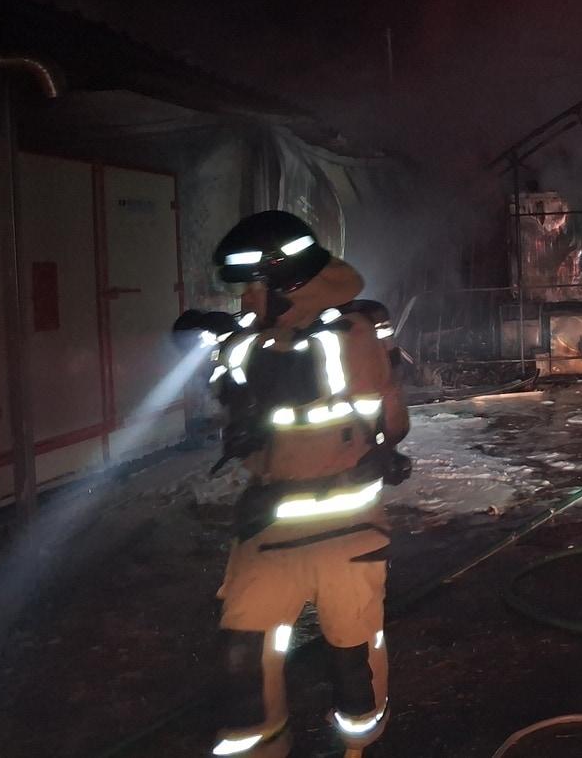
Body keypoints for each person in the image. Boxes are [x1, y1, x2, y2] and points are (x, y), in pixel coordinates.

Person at [185, 211, 409, 758]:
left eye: (252, 288)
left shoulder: (344, 335)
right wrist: (224, 352)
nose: (243, 301)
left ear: (285, 284)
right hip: (266, 529)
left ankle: (360, 747)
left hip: (345, 529)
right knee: (244, 653)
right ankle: (257, 748)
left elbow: (340, 391)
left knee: (351, 659)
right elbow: (236, 403)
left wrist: (252, 351)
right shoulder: (258, 339)